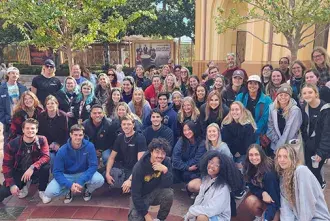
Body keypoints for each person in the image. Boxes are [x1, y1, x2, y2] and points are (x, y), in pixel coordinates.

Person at [43, 124, 104, 204]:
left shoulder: (89, 146)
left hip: (83, 173)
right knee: (49, 192)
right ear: (70, 135)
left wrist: (81, 181)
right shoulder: (62, 150)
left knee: (100, 180)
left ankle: (88, 190)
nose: (78, 137)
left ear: (83, 135)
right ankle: (68, 190)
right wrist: (69, 185)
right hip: (67, 175)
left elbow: (93, 166)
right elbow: (57, 172)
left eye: (80, 135)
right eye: (75, 135)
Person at [0, 118, 50, 203]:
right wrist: (12, 184)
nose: (30, 130)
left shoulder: (42, 139)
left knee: (45, 166)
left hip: (34, 170)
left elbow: (46, 156)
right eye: (27, 128)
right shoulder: (12, 144)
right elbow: (6, 165)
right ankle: (23, 185)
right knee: (3, 192)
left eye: (32, 128)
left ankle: (42, 190)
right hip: (19, 171)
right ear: (23, 130)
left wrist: (32, 167)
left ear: (37, 130)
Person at [275, 144, 330, 220]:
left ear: (292, 158)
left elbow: (307, 205)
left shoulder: (301, 171)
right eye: (279, 156)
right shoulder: (283, 176)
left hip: (316, 218)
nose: (282, 160)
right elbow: (285, 207)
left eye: (285, 156)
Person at [184, 151, 243, 221]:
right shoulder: (207, 179)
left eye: (217, 165)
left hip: (218, 216)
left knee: (201, 218)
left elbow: (212, 210)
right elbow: (200, 197)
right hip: (207, 211)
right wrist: (192, 211)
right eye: (211, 162)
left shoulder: (223, 188)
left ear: (222, 169)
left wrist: (192, 211)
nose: (211, 166)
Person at [129, 138, 174, 221]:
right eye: (157, 152)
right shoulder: (139, 167)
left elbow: (168, 184)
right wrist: (147, 216)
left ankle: (160, 219)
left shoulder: (166, 162)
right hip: (141, 196)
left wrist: (165, 171)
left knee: (169, 194)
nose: (160, 156)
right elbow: (135, 195)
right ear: (151, 152)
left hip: (155, 192)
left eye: (163, 153)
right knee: (135, 218)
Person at [105, 114, 147, 193]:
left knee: (137, 184)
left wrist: (130, 180)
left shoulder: (140, 138)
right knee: (104, 175)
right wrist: (107, 174)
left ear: (133, 125)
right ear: (121, 125)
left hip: (135, 168)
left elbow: (140, 163)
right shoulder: (120, 137)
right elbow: (111, 157)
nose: (126, 126)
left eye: (129, 124)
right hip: (123, 167)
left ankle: (129, 186)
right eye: (124, 124)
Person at [301, 84, 330, 188]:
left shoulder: (326, 109)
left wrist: (321, 152)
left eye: (310, 92)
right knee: (309, 170)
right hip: (309, 146)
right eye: (304, 93)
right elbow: (303, 128)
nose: (307, 95)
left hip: (320, 146)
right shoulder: (304, 108)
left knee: (314, 170)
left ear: (316, 94)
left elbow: (327, 134)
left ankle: (320, 188)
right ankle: (316, 188)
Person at [243, 144, 280, 221]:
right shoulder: (249, 167)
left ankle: (266, 216)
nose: (254, 158)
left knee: (271, 217)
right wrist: (263, 193)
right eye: (251, 155)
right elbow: (252, 188)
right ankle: (261, 216)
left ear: (261, 155)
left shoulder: (268, 173)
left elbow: (275, 201)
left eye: (256, 154)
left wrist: (267, 218)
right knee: (249, 200)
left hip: (275, 203)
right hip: (264, 198)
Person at [172, 121, 206, 196]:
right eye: (184, 130)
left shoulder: (202, 143)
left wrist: (185, 167)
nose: (187, 132)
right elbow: (175, 159)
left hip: (195, 170)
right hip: (183, 168)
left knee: (187, 174)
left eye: (189, 129)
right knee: (172, 171)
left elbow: (197, 160)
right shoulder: (181, 140)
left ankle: (193, 189)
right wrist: (187, 167)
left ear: (194, 129)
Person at [236, 75, 272, 144]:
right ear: (247, 85)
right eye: (250, 83)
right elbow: (235, 113)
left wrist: (255, 131)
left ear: (259, 86)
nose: (252, 86)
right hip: (241, 131)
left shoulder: (267, 100)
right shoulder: (240, 97)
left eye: (255, 83)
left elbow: (265, 118)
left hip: (259, 133)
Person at [221, 101, 256, 172]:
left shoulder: (248, 126)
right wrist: (234, 152)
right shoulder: (226, 125)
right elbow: (226, 141)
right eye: (232, 110)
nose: (234, 112)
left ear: (242, 111)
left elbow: (248, 143)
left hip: (243, 153)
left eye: (237, 109)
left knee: (240, 170)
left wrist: (239, 152)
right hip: (229, 152)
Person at [266, 83, 302, 152]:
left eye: (286, 95)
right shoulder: (272, 107)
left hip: (290, 146)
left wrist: (281, 147)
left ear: (290, 97)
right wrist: (277, 141)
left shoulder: (295, 110)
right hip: (275, 144)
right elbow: (270, 127)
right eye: (281, 95)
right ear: (277, 96)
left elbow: (290, 131)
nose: (283, 97)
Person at [38, 95, 68, 168]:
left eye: (52, 103)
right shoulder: (41, 116)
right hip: (46, 143)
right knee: (51, 157)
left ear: (56, 104)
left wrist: (58, 144)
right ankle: (54, 176)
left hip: (60, 143)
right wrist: (47, 145)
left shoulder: (63, 116)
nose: (50, 105)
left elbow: (65, 133)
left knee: (62, 155)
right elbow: (39, 133)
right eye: (48, 104)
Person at [0, 66, 27, 138]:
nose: (15, 75)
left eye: (17, 74)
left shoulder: (23, 88)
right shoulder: (1, 88)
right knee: (8, 144)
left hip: (21, 120)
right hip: (8, 122)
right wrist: (4, 119)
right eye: (13, 73)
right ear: (8, 74)